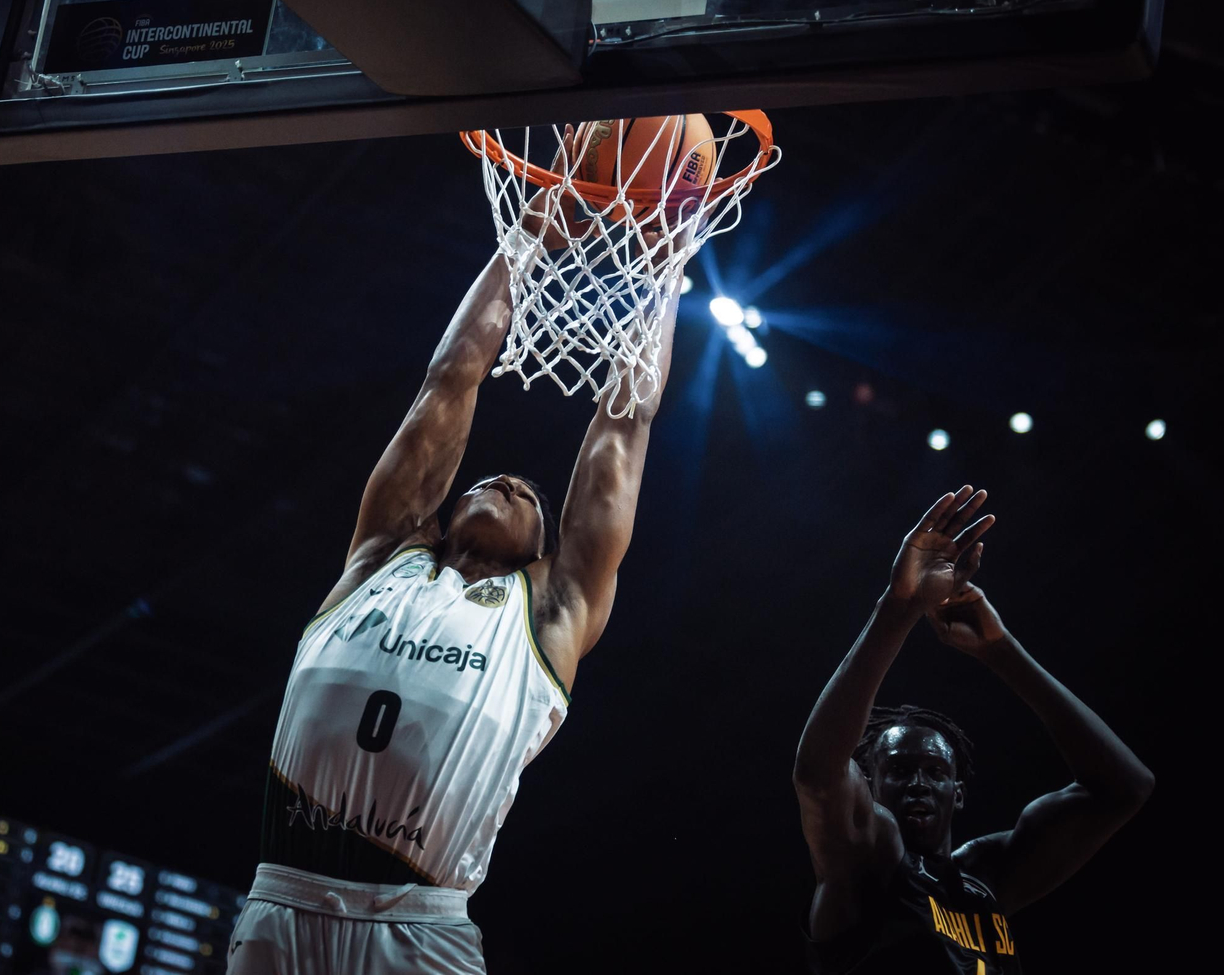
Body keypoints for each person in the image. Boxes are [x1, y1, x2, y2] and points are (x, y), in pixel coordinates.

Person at [226, 127, 683, 974]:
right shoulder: (380, 559)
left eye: (529, 496)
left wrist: (662, 273)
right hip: (283, 898)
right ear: (440, 515)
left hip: (418, 923)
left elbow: (624, 427)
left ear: (545, 553)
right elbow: (451, 378)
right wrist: (528, 236)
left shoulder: (550, 614)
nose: (508, 478)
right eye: (492, 478)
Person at [792, 486, 1155, 973]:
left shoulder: (986, 878)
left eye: (935, 771)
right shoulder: (865, 865)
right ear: (869, 787)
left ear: (958, 792)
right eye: (899, 770)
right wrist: (900, 607)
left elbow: (1126, 787)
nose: (919, 783)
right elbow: (819, 775)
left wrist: (1000, 649)